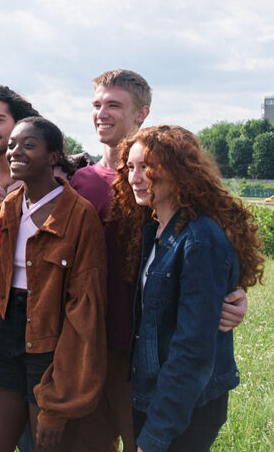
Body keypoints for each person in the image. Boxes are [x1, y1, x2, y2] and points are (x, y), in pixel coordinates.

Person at [70, 70, 248, 452]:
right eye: (96, 104)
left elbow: (194, 338)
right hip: (101, 351)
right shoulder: (82, 183)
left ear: (141, 113)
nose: (136, 176)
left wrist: (235, 294)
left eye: (113, 105)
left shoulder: (196, 233)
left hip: (157, 372)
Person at [110, 125, 263, 452]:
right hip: (152, 396)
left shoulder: (199, 240)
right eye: (131, 168)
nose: (134, 177)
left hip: (184, 408)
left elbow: (192, 352)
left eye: (146, 168)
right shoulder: (154, 229)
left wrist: (155, 436)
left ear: (178, 170)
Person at [0, 117, 107, 452]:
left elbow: (85, 308)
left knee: (47, 445)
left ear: (53, 156)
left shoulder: (79, 215)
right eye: (12, 146)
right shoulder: (10, 206)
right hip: (6, 338)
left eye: (28, 145)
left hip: (51, 345)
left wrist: (59, 397)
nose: (15, 152)